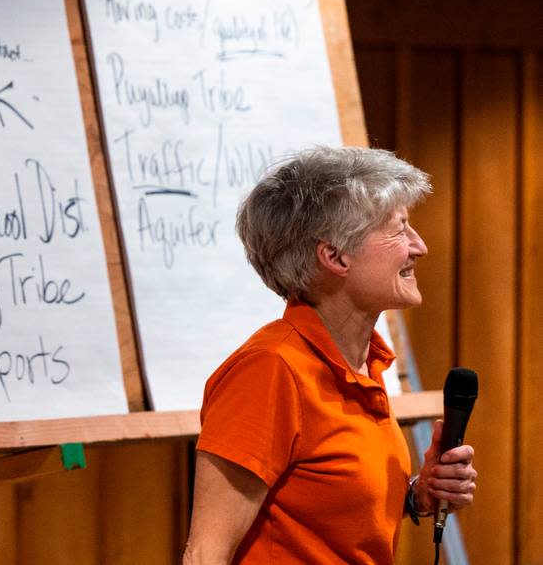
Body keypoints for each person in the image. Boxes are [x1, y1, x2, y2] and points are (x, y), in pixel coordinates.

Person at [183, 146, 477, 564]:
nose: (419, 246)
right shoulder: (271, 369)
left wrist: (418, 495)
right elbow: (205, 552)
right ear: (335, 256)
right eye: (399, 229)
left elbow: (328, 511)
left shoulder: (362, 362)